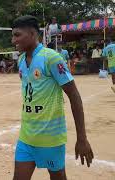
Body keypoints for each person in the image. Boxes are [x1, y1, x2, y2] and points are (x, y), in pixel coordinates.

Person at [11, 15, 93, 180]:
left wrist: (82, 138)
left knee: (58, 177)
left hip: (51, 139)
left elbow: (74, 96)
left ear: (33, 34)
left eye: (17, 35)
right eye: (13, 35)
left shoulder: (52, 58)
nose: (13, 40)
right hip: (27, 137)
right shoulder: (21, 60)